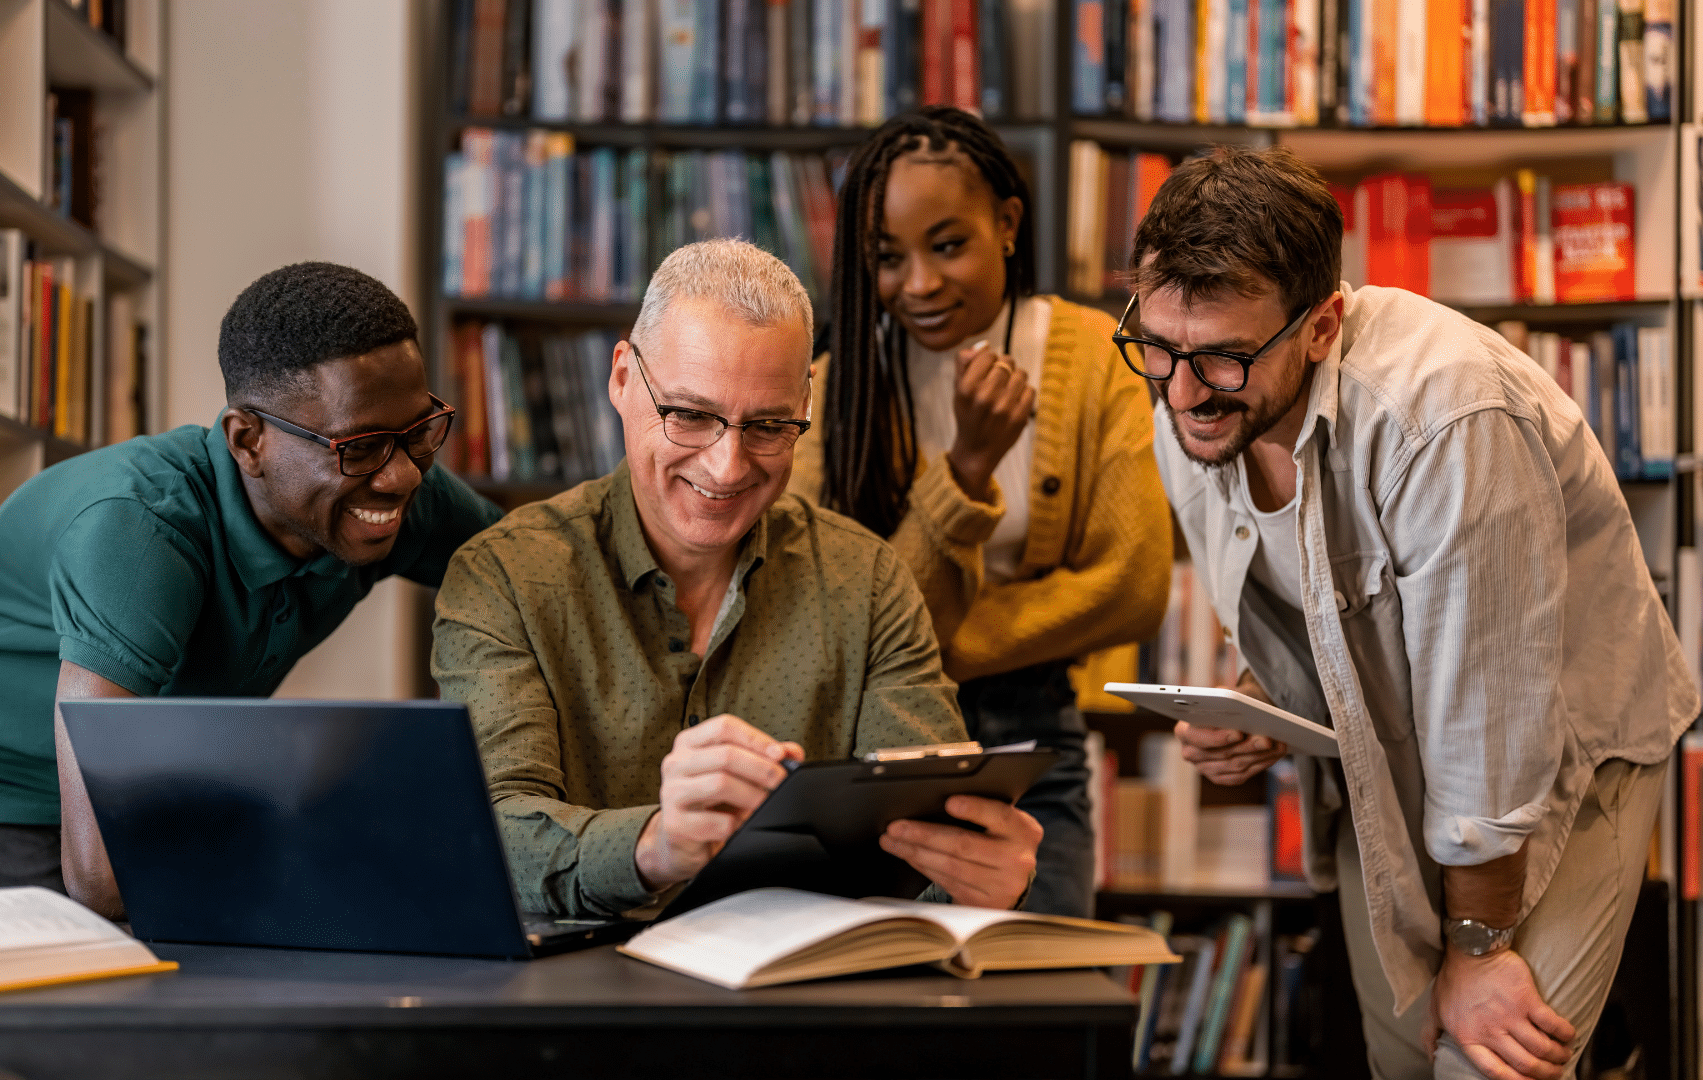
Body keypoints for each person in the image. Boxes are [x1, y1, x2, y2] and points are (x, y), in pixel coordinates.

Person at [1133, 146, 1696, 1080]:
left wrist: (1478, 947)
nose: (1183, 392)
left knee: (1482, 1068)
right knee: (1403, 1060)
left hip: (1557, 754)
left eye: (1225, 359)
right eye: (1158, 346)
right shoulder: (1190, 389)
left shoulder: (1445, 416)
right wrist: (1266, 704)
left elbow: (1493, 718)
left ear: (1321, 328)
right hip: (1383, 750)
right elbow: (1320, 594)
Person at [0, 262, 501, 918]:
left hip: (147, 768)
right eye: (358, 448)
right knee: (93, 974)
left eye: (419, 433)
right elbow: (100, 881)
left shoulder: (388, 489)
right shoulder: (139, 533)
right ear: (248, 442)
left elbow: (541, 573)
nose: (400, 478)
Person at [432, 238, 1042, 918]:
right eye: (690, 415)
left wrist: (975, 877)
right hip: (573, 1006)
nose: (727, 467)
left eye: (770, 425)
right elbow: (489, 835)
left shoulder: (868, 580)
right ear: (623, 379)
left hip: (798, 1004)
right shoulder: (505, 575)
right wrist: (656, 844)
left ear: (806, 402)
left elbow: (922, 845)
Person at [787, 107, 1171, 918]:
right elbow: (822, 618)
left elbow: (1134, 586)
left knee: (1039, 1008)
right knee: (883, 1003)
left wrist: (949, 641)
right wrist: (965, 470)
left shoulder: (1094, 360)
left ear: (1006, 224)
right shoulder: (835, 386)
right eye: (887, 259)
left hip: (1028, 748)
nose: (918, 284)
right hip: (860, 749)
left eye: (947, 244)